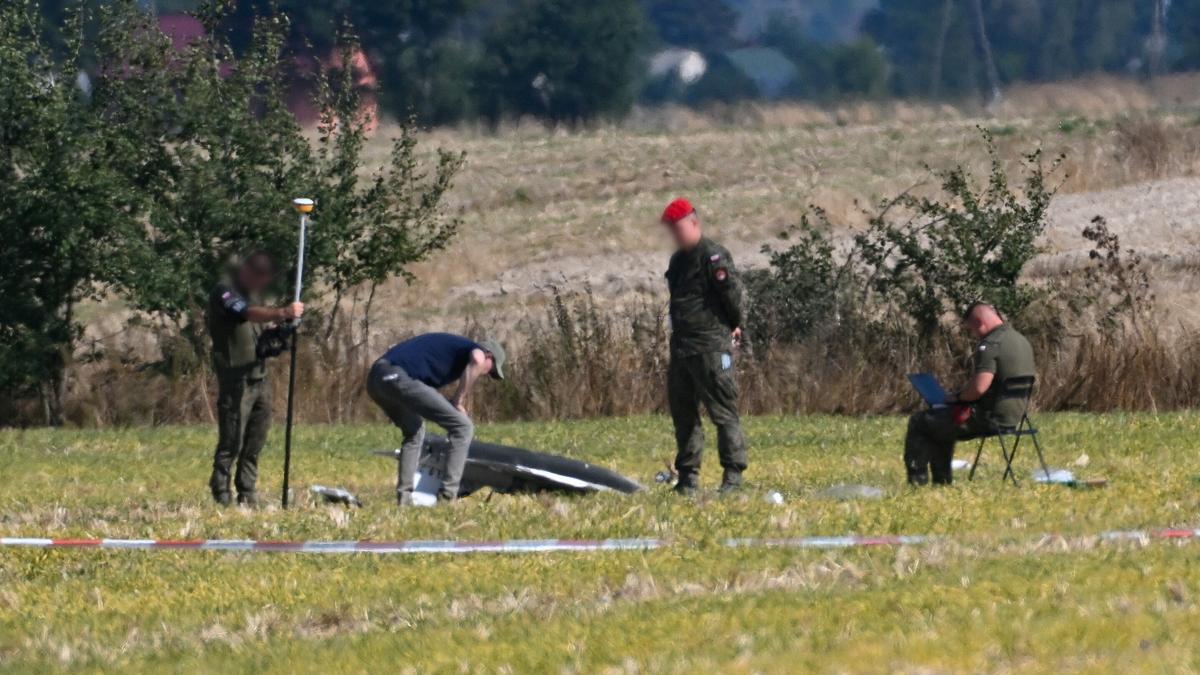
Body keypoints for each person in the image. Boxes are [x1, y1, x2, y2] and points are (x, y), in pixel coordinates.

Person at [659, 198, 748, 495]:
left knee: (723, 412)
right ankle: (687, 478)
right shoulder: (677, 262)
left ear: (693, 224)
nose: (674, 235)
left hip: (711, 346)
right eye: (671, 230)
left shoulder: (713, 256)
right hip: (683, 348)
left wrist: (735, 324)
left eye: (678, 228)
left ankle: (733, 477)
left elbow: (732, 296)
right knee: (683, 415)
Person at [207, 251, 305, 506]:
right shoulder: (225, 293)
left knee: (256, 439)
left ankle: (247, 492)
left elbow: (262, 330)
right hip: (236, 379)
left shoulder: (255, 298)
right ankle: (222, 493)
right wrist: (282, 311)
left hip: (260, 377)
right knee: (232, 440)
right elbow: (246, 314)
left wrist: (283, 329)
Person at [904, 302, 1036, 486]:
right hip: (1015, 416)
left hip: (989, 419)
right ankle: (941, 482)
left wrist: (955, 397)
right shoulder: (1021, 340)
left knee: (921, 421)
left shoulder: (991, 345)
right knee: (941, 422)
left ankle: (919, 482)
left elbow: (978, 389)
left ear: (980, 322)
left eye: (971, 329)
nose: (973, 335)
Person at [366, 333, 506, 505]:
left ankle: (405, 499)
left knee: (414, 431)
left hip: (376, 378)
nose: (486, 374)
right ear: (489, 355)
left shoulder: (452, 351)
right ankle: (447, 498)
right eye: (491, 370)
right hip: (397, 376)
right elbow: (477, 359)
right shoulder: (475, 350)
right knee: (463, 427)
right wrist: (458, 400)